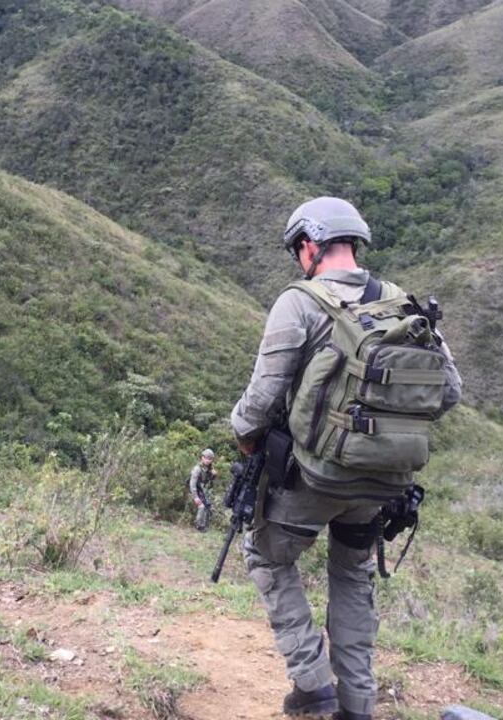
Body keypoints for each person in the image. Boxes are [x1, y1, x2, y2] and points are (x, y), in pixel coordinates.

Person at [230, 197, 463, 720]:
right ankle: (357, 704)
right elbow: (449, 392)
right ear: (353, 243)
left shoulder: (299, 303)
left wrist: (245, 438)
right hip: (382, 481)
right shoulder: (403, 305)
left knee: (267, 556)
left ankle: (313, 685)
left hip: (313, 476)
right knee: (353, 574)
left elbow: (262, 398)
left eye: (298, 249)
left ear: (309, 245)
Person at [189, 449, 218, 532]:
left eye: (210, 459)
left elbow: (209, 481)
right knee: (202, 506)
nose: (208, 460)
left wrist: (214, 475)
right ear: (202, 458)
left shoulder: (208, 468)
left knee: (208, 506)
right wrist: (195, 497)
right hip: (194, 490)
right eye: (206, 458)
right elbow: (192, 484)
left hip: (202, 490)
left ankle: (204, 525)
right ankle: (198, 525)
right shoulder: (197, 469)